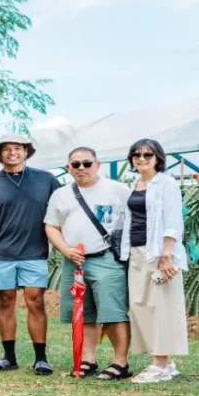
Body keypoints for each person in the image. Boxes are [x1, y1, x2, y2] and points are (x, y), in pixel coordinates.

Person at [0, 134, 60, 375]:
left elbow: (62, 210)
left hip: (34, 252)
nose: (12, 152)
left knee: (35, 301)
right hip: (0, 253)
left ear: (26, 152)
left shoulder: (46, 180)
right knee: (5, 302)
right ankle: (9, 357)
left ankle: (41, 358)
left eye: (18, 148)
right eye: (6, 149)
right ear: (0, 154)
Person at [44, 147, 133, 380]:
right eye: (76, 164)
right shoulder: (60, 194)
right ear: (68, 168)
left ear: (97, 164)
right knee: (84, 314)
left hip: (106, 258)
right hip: (74, 261)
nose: (81, 168)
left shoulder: (118, 190)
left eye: (86, 163)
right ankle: (88, 359)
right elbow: (51, 226)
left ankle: (120, 362)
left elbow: (137, 219)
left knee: (114, 312)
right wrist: (66, 250)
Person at [120, 138, 189, 383]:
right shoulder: (134, 184)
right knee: (140, 306)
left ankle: (159, 365)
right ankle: (167, 362)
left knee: (160, 306)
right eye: (136, 155)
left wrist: (166, 255)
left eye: (147, 155)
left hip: (159, 253)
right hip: (136, 252)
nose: (141, 159)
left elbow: (173, 222)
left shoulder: (166, 184)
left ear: (158, 158)